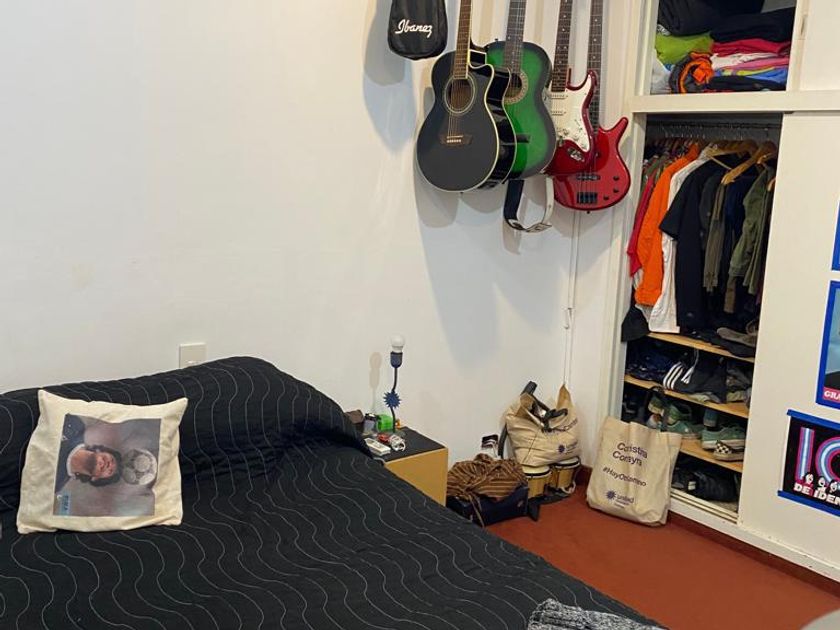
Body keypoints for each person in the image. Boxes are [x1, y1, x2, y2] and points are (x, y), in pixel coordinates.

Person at [55, 415, 122, 491]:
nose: (109, 465)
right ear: (101, 450)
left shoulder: (56, 483)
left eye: (110, 471)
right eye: (112, 460)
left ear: (95, 479)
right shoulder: (76, 426)